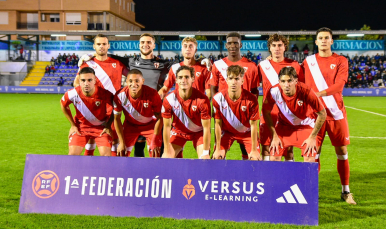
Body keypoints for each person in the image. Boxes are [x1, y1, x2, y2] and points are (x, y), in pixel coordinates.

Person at [302, 27, 356, 205]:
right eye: (320, 38)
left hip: (336, 114)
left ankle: (346, 191)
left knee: (341, 152)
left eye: (327, 38)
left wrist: (317, 94)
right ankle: (310, 192)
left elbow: (339, 86)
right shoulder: (308, 62)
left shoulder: (341, 60)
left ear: (331, 41)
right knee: (312, 153)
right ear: (316, 42)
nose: (324, 40)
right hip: (315, 115)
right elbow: (301, 84)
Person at [75, 34, 128, 157]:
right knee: (90, 139)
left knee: (114, 139)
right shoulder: (86, 63)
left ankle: (114, 170)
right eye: (98, 44)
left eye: (104, 44)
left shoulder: (118, 63)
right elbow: (76, 83)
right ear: (94, 46)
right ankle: (88, 170)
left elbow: (132, 77)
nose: (101, 46)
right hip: (93, 108)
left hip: (112, 108)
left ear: (108, 45)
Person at [209, 32, 259, 160]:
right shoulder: (218, 65)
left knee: (249, 156)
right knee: (217, 156)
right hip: (225, 117)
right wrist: (220, 106)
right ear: (226, 45)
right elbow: (213, 88)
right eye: (230, 43)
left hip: (245, 118)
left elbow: (254, 91)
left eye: (235, 42)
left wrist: (247, 109)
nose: (232, 45)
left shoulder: (252, 66)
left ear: (240, 44)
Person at [263, 66, 326, 162]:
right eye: (283, 81)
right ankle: (281, 177)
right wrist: (274, 136)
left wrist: (312, 137)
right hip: (283, 127)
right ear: (279, 82)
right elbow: (266, 111)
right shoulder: (273, 91)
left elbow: (322, 114)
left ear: (296, 81)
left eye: (289, 81)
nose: (286, 85)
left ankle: (306, 177)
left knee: (309, 158)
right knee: (274, 157)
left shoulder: (306, 91)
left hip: (305, 126)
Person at [259, 34, 304, 162]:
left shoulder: (294, 65)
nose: (277, 48)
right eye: (274, 45)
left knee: (288, 150)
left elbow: (301, 89)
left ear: (285, 47)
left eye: (280, 45)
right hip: (268, 114)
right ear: (270, 48)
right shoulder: (262, 65)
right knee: (266, 148)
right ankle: (266, 179)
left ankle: (288, 180)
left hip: (288, 114)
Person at [60, 67, 114, 156]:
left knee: (106, 157)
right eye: (83, 80)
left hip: (101, 128)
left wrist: (108, 125)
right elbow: (63, 104)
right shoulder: (72, 94)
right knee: (72, 156)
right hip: (81, 127)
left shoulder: (105, 94)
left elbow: (116, 108)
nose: (86, 83)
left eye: (89, 80)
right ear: (79, 81)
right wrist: (73, 125)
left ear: (95, 80)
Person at [212, 65, 261, 160]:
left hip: (247, 133)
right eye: (230, 78)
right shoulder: (218, 99)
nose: (233, 82)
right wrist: (217, 148)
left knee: (255, 159)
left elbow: (254, 126)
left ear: (242, 81)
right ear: (226, 80)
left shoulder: (251, 100)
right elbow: (218, 124)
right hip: (227, 132)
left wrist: (254, 150)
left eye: (237, 79)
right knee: (217, 157)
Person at [161, 66, 211, 159]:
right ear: (176, 80)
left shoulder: (202, 100)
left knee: (205, 160)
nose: (183, 80)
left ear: (193, 79)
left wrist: (206, 152)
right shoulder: (169, 99)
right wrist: (166, 150)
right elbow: (167, 127)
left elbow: (206, 128)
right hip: (178, 132)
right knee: (166, 158)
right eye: (180, 77)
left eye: (187, 77)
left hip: (198, 133)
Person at [113, 69, 163, 157]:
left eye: (137, 81)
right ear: (126, 81)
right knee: (121, 154)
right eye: (130, 81)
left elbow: (160, 117)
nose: (134, 84)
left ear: (142, 81)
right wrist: (121, 142)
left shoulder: (152, 94)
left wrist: (155, 139)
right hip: (130, 126)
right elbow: (116, 119)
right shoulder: (120, 95)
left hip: (150, 125)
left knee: (155, 154)